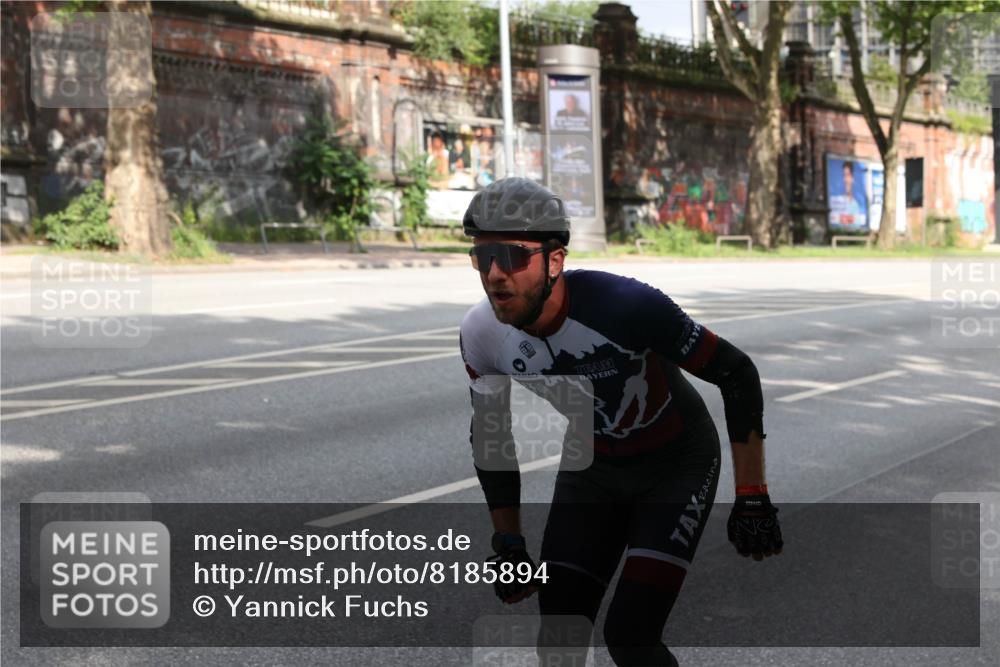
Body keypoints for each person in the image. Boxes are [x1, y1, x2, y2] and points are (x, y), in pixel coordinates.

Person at [459, 178, 783, 666]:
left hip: (676, 464)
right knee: (560, 635)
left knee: (630, 634)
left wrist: (752, 494)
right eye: (483, 259)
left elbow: (736, 373)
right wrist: (507, 540)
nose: (495, 275)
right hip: (594, 468)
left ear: (554, 261)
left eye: (512, 257)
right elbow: (492, 436)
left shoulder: (626, 305)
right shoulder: (481, 334)